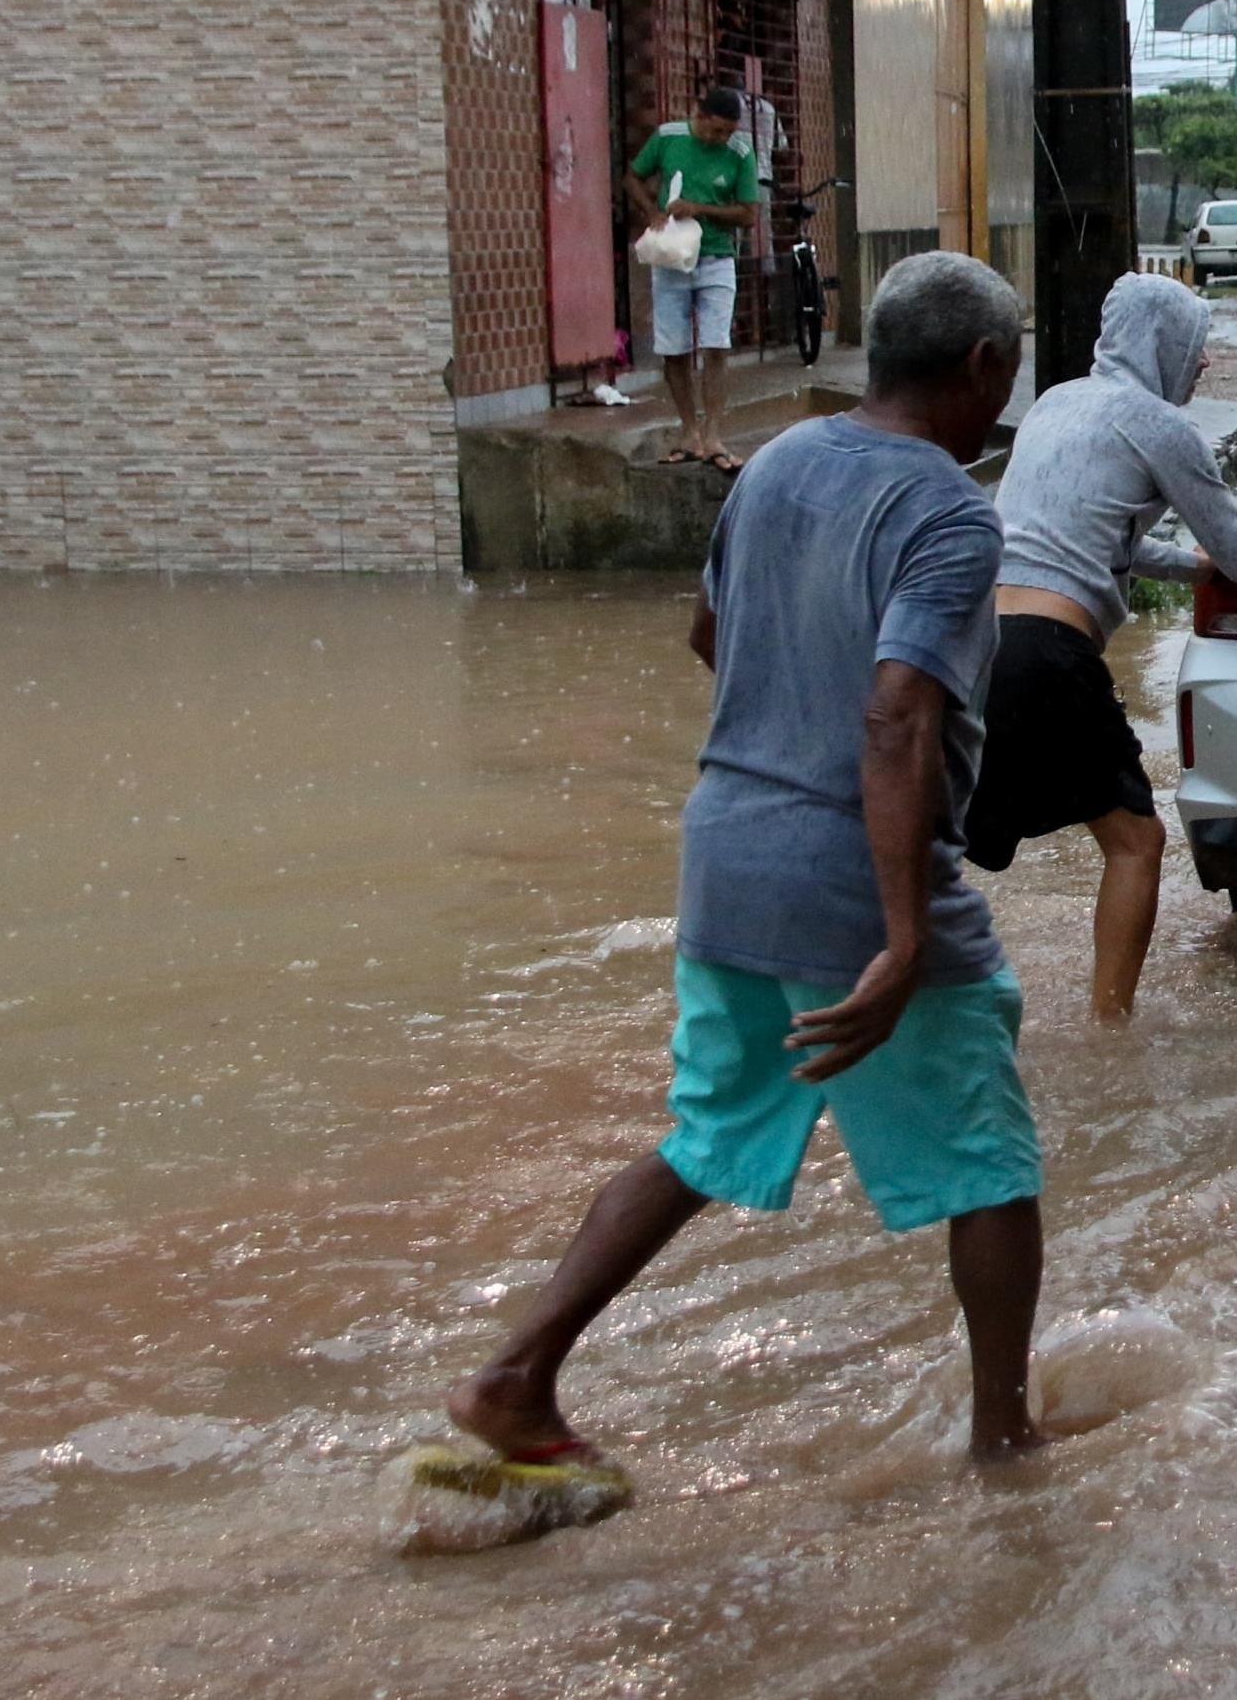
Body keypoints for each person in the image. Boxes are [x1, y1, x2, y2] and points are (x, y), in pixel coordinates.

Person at [446, 251, 1049, 1463]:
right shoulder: (948, 511)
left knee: (704, 1137)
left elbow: (710, 634)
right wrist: (902, 933)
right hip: (851, 871)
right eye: (1015, 355)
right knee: (990, 1164)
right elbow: (895, 719)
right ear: (983, 366)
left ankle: (516, 1373)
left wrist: (783, 738)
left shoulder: (772, 463)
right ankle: (1003, 1445)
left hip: (727, 854)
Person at [969, 272, 1237, 1021]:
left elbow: (1085, 533)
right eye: (1195, 346)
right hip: (1052, 654)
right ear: (1161, 344)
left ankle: (901, 995)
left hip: (977, 644)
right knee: (1137, 842)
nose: (1204, 364)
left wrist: (1189, 565)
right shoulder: (1159, 425)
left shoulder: (1056, 403)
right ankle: (1109, 1030)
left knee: (946, 838)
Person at [625, 86, 762, 474]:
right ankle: (689, 431)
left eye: (727, 132)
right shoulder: (669, 138)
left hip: (717, 258)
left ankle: (713, 433)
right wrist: (650, 210)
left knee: (716, 345)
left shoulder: (739, 152)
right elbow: (632, 177)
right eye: (715, 130)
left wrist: (698, 208)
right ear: (698, 116)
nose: (721, 139)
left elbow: (749, 213)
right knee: (675, 348)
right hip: (671, 260)